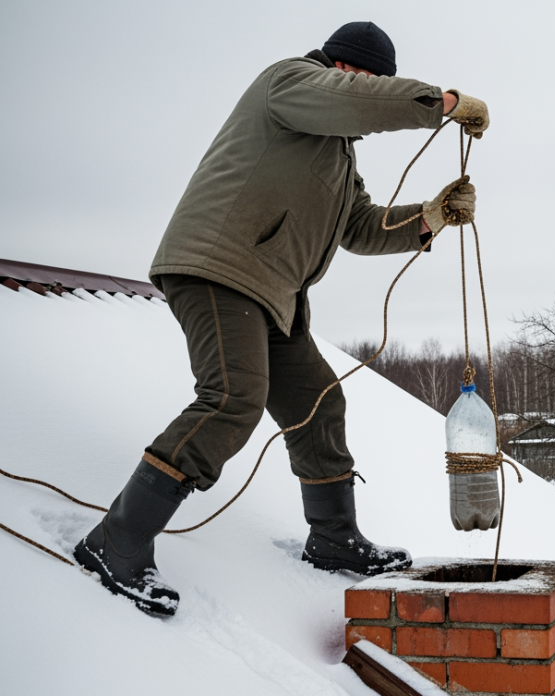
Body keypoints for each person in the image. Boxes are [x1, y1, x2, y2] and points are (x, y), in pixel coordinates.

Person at [73, 21, 489, 617]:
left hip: (274, 295)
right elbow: (354, 102)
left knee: (319, 400)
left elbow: (360, 227)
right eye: (367, 79)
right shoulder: (289, 83)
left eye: (380, 84)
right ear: (342, 68)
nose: (368, 90)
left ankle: (333, 541)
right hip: (218, 269)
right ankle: (116, 540)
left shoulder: (339, 156)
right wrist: (442, 104)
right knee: (231, 398)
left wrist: (431, 216)